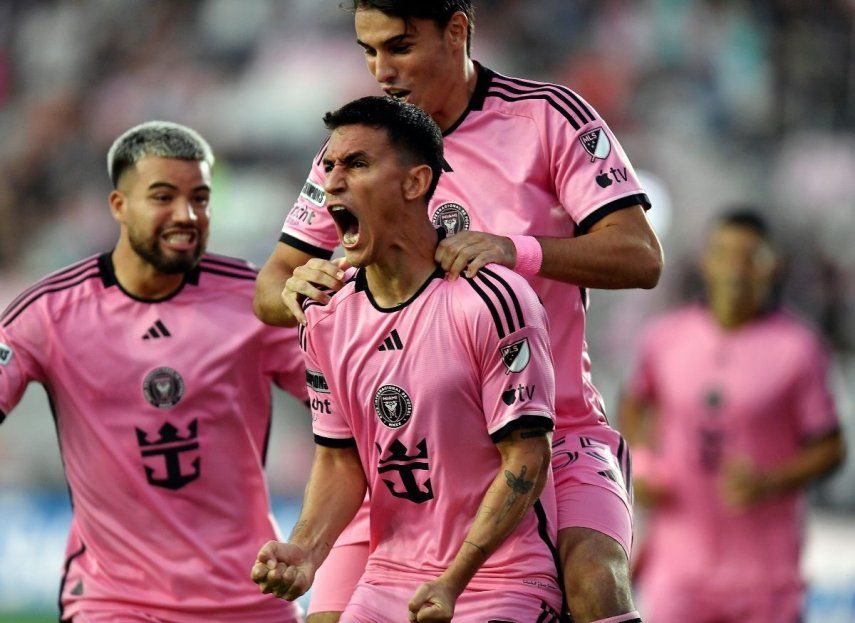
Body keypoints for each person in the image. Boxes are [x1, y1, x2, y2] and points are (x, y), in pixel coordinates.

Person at [253, 2, 660, 622]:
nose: (382, 69)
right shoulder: (357, 155)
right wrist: (299, 287)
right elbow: (270, 287)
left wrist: (514, 249)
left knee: (595, 581)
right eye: (369, 51)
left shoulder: (547, 118)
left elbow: (640, 256)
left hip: (550, 431)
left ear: (457, 30)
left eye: (400, 46)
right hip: (401, 459)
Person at [252, 95, 563, 623]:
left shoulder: (492, 299)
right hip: (390, 576)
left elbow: (527, 460)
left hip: (498, 577)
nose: (331, 182)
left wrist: (451, 583)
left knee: (600, 582)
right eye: (329, 166)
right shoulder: (325, 315)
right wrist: (305, 550)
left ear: (415, 183)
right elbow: (338, 459)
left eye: (357, 164)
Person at [0, 121, 307, 623]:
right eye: (163, 197)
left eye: (201, 199)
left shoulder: (256, 300)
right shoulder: (50, 312)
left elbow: (351, 406)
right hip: (113, 601)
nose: (186, 215)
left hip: (248, 597)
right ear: (119, 205)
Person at [619, 209, 845, 623]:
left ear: (771, 267)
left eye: (749, 257)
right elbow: (634, 401)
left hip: (765, 572)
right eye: (724, 253)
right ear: (705, 260)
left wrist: (769, 481)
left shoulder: (799, 348)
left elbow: (831, 447)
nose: (734, 268)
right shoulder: (666, 337)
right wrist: (641, 461)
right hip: (678, 566)